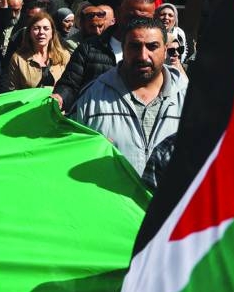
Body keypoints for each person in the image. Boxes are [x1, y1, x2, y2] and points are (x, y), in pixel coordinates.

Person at [70, 17, 188, 176]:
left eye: (152, 47)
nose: (143, 56)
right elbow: (72, 153)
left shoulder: (190, 98)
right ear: (123, 49)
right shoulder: (91, 97)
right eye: (134, 46)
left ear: (165, 50)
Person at [52, 0, 155, 112]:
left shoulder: (157, 53)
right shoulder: (90, 48)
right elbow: (70, 84)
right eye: (132, 17)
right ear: (119, 13)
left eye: (145, 20)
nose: (138, 24)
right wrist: (60, 98)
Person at [6, 11, 70, 90]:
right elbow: (12, 91)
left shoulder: (64, 56)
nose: (41, 32)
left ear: (52, 33)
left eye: (46, 28)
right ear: (29, 33)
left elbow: (70, 87)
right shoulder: (18, 59)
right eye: (36, 28)